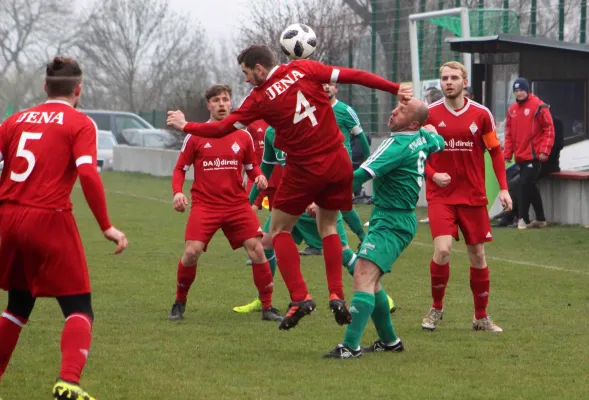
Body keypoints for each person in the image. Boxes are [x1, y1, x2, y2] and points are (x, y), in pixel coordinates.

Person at [167, 44, 411, 331]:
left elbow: (221, 129)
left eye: (246, 73)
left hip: (304, 167)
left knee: (279, 231)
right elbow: (354, 75)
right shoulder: (303, 68)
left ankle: (299, 297)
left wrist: (185, 126)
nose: (246, 79)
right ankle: (336, 293)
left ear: (259, 68)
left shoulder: (258, 98)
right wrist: (394, 87)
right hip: (337, 161)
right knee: (330, 227)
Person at [0, 56, 128, 400]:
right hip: (49, 217)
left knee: (17, 306)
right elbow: (87, 173)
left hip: (8, 219)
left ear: (45, 87)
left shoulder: (14, 120)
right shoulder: (79, 123)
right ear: (78, 89)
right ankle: (68, 382)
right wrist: (107, 226)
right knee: (79, 308)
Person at [324, 98, 445, 358]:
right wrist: (433, 133)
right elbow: (439, 141)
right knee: (371, 280)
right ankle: (390, 342)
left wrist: (322, 195)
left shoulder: (396, 145)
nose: (393, 111)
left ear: (412, 123)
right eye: (396, 107)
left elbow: (358, 176)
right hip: (393, 217)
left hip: (392, 220)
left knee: (362, 277)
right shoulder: (422, 137)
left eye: (402, 111)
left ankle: (350, 346)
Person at [233, 125, 397, 314]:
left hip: (318, 201)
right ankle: (264, 300)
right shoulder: (272, 132)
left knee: (343, 252)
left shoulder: (310, 124)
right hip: (293, 200)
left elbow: (328, 163)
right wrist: (251, 203)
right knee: (267, 243)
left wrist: (317, 198)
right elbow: (266, 168)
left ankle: (381, 297)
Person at [168, 84, 282, 323]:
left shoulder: (243, 135)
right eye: (216, 100)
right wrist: (177, 192)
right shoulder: (196, 135)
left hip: (236, 205)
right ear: (208, 105)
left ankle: (268, 307)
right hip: (205, 206)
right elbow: (180, 168)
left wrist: (259, 177)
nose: (221, 104)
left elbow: (252, 167)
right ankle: (179, 301)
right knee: (191, 252)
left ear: (231, 104)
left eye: (225, 99)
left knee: (257, 249)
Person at [422, 61, 512, 333]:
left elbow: (495, 152)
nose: (448, 82)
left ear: (464, 81)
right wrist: (433, 174)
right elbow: (417, 153)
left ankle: (481, 317)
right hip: (441, 196)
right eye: (443, 78)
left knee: (477, 255)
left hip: (472, 196)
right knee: (443, 249)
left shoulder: (481, 114)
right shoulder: (429, 115)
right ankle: (436, 308)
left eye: (453, 78)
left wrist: (504, 188)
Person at [503, 78, 554, 229]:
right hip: (520, 155)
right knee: (528, 185)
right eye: (516, 91)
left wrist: (544, 150)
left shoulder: (539, 106)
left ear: (527, 90)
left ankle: (523, 219)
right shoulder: (512, 110)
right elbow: (509, 134)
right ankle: (540, 218)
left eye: (521, 90)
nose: (519, 93)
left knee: (524, 184)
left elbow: (549, 129)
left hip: (534, 156)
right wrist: (508, 153)